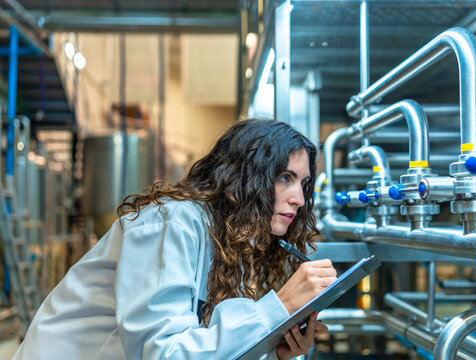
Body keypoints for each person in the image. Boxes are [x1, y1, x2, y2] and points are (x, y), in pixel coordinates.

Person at [13, 118, 337, 360]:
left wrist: (271, 347)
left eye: (303, 183)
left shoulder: (232, 243)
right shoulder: (173, 222)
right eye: (285, 178)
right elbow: (163, 353)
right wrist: (276, 309)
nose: (300, 199)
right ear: (246, 177)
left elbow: (205, 343)